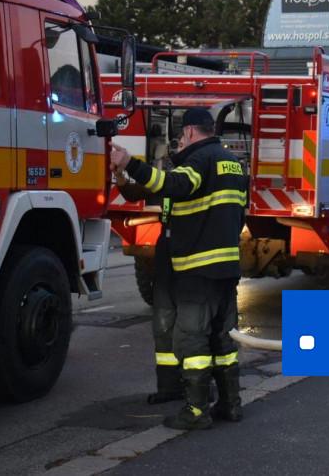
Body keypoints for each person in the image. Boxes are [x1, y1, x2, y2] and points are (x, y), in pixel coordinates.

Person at [111, 107, 248, 430]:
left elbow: (174, 185)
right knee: (222, 338)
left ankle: (197, 411)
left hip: (198, 268)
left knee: (191, 338)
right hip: (226, 266)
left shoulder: (200, 160)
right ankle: (230, 403)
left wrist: (130, 162)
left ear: (188, 131)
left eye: (181, 136)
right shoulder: (233, 163)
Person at [114, 167, 182, 405]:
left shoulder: (195, 174)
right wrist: (121, 177)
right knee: (164, 327)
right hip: (171, 259)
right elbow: (138, 191)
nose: (178, 148)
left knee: (196, 329)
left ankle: (204, 393)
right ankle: (171, 388)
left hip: (194, 263)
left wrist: (129, 163)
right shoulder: (175, 176)